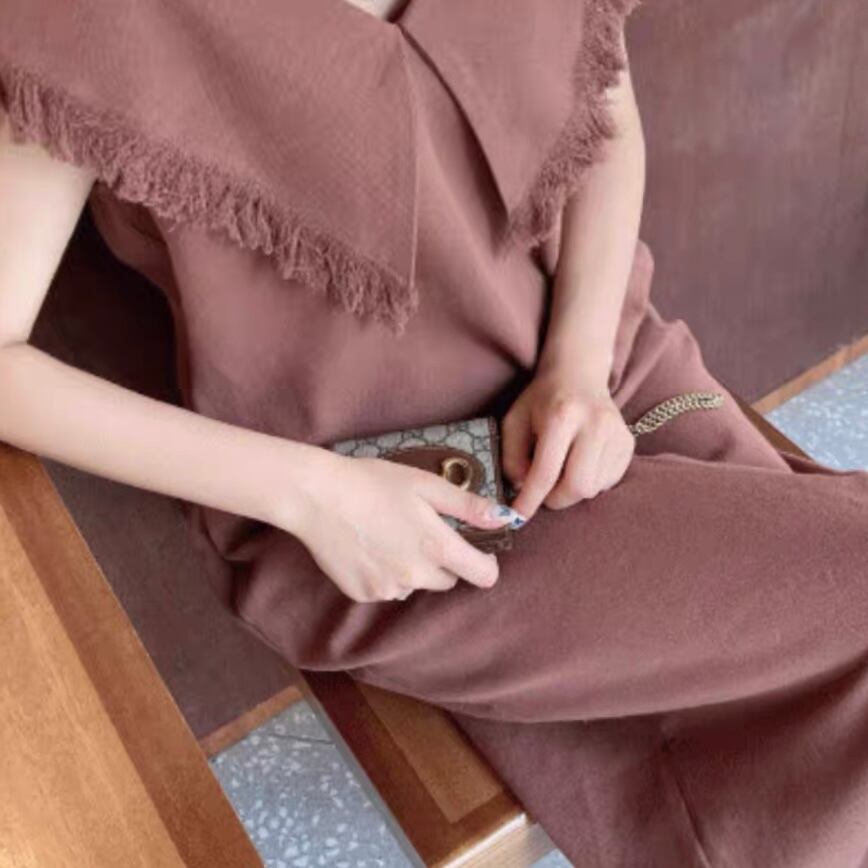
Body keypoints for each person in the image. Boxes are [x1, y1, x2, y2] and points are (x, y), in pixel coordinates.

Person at [1, 1, 867, 864]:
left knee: (809, 748)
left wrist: (577, 365)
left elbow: (604, 105)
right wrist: (314, 494)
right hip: (393, 519)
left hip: (606, 380)